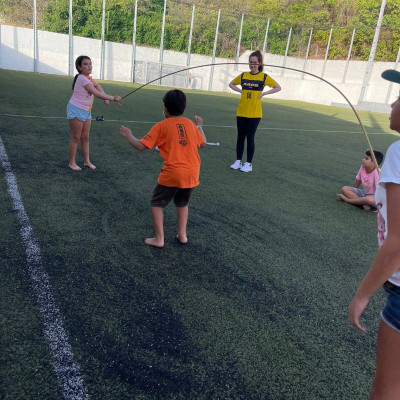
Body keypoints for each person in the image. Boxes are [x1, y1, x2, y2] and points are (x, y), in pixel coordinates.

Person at [348, 69, 400, 399]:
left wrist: (362, 295)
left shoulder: (399, 152)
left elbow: (398, 242)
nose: (393, 103)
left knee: (386, 390)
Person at [119, 89, 207, 248]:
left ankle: (159, 239)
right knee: (182, 203)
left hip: (172, 173)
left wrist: (128, 135)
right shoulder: (190, 124)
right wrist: (199, 125)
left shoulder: (161, 126)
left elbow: (141, 146)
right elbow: (203, 143)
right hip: (192, 172)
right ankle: (182, 235)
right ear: (183, 108)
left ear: (165, 109)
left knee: (156, 203)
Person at [228, 50, 281, 172]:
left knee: (250, 137)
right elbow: (231, 84)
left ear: (259, 63)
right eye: (250, 62)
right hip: (242, 111)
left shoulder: (264, 77)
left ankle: (248, 164)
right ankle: (238, 161)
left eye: (255, 62)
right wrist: (241, 91)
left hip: (255, 113)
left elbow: (278, 87)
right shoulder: (243, 76)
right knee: (240, 137)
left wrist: (264, 93)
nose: (252, 65)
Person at [67, 55, 121, 171]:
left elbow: (97, 86)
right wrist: (113, 98)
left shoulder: (89, 78)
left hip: (86, 111)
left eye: (90, 64)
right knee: (76, 137)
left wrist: (105, 97)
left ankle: (87, 161)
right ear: (79, 67)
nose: (89, 66)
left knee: (85, 137)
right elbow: (96, 93)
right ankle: (72, 163)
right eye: (85, 64)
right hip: (76, 109)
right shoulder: (82, 78)